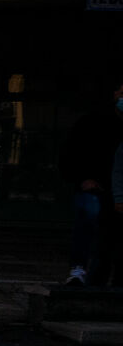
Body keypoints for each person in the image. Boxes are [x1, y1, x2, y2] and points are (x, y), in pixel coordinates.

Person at [58, 76, 123, 287]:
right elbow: (72, 154)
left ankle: (93, 273)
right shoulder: (94, 123)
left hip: (110, 186)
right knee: (92, 219)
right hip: (99, 186)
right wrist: (83, 179)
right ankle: (82, 270)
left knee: (105, 232)